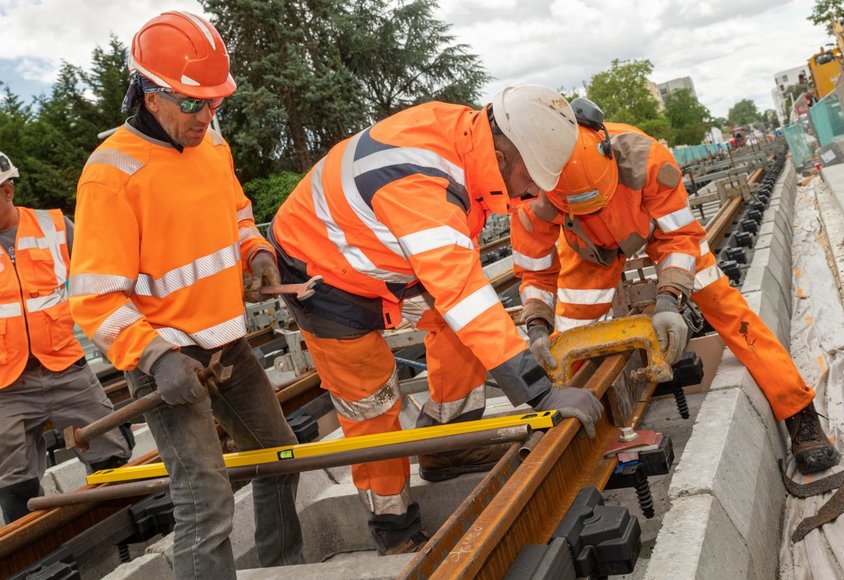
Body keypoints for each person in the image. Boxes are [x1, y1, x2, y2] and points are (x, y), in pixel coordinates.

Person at [268, 84, 604, 555]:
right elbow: (462, 291)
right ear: (507, 155)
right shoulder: (418, 180)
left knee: (461, 330)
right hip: (323, 273)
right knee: (371, 401)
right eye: (534, 179)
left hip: (384, 252)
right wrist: (541, 393)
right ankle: (395, 529)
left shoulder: (467, 140)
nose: (534, 192)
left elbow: (459, 286)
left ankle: (447, 447)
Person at [68, 11, 302, 577]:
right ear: (151, 96)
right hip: (168, 364)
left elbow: (240, 213)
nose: (207, 116)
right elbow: (95, 299)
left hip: (229, 347)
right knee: (206, 504)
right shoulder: (111, 176)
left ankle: (279, 567)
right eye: (195, 103)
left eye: (215, 102)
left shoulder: (211, 146)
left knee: (281, 458)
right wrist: (156, 358)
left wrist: (257, 253)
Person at [511, 98, 839, 475]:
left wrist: (669, 300)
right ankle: (577, 433)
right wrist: (537, 323)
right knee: (570, 340)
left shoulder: (646, 159)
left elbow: (681, 236)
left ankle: (799, 413)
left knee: (726, 307)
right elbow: (535, 273)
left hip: (660, 231)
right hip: (588, 251)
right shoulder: (532, 193)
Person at [0, 151, 132, 524]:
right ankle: (36, 550)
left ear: (7, 190)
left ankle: (126, 525)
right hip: (6, 384)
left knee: (111, 445)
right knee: (12, 479)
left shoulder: (54, 227)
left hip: (66, 368)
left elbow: (104, 279)